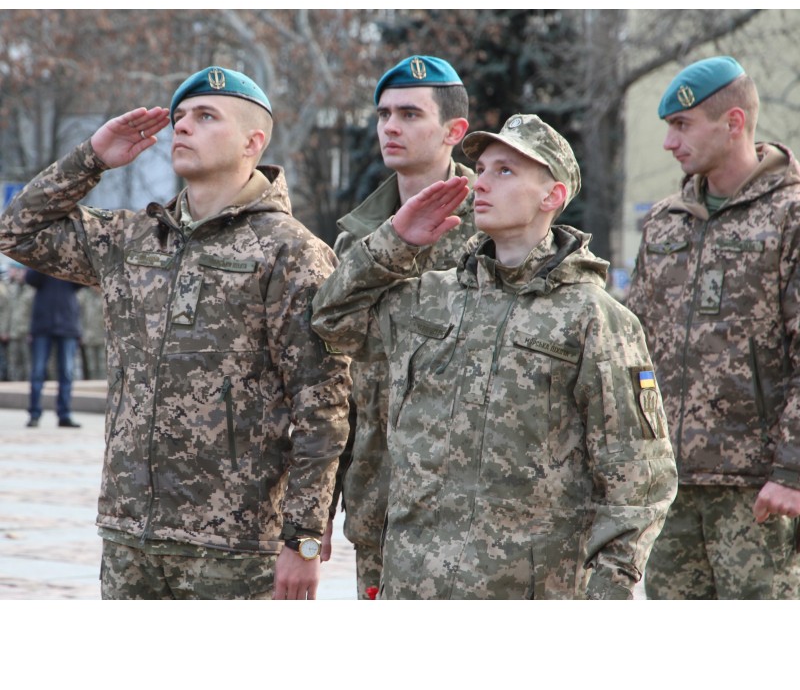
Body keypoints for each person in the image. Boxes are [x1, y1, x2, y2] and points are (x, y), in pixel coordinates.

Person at [0, 66, 351, 600]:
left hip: (234, 547)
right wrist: (92, 157)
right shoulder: (133, 239)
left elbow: (321, 402)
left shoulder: (291, 252)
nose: (182, 126)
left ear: (252, 142)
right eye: (180, 117)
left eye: (206, 116)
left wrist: (302, 539)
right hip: (129, 535)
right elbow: (16, 230)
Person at [312, 113, 677, 599]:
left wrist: (608, 592)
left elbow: (639, 479)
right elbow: (331, 319)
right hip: (413, 583)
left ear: (552, 195)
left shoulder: (593, 318)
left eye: (505, 171)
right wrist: (395, 240)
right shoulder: (428, 298)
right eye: (481, 169)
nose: (481, 182)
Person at [627, 55, 800, 599]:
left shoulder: (791, 216)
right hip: (670, 488)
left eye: (682, 125)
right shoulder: (664, 223)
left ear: (733, 123)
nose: (668, 143)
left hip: (760, 493)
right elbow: (633, 351)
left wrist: (792, 471)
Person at [325, 55, 477, 599]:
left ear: (453, 131)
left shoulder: (497, 222)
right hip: (382, 507)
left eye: (410, 114)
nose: (390, 127)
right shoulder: (357, 239)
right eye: (384, 114)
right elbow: (336, 372)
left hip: (481, 514)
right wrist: (319, 505)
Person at [24, 269, 84, 428]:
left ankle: (64, 415)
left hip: (68, 325)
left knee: (67, 372)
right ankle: (34, 414)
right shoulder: (41, 262)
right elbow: (30, 279)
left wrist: (68, 262)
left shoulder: (69, 263)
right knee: (38, 372)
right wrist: (44, 262)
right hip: (42, 326)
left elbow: (82, 281)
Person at [1, 263, 34, 382]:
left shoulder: (32, 290)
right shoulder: (12, 289)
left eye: (21, 271)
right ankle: (15, 387)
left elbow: (34, 314)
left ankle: (28, 386)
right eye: (17, 271)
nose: (19, 274)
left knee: (28, 364)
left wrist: (33, 332)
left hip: (26, 333)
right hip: (13, 333)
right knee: (13, 364)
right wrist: (4, 330)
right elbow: (7, 312)